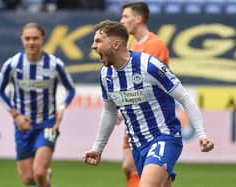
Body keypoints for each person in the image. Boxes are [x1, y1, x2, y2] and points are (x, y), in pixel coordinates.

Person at [83, 20, 214, 187]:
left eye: (98, 41)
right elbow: (109, 112)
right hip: (137, 145)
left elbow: (185, 98)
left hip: (164, 137)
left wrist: (201, 134)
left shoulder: (149, 65)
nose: (93, 46)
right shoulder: (105, 75)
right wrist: (97, 148)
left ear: (115, 44)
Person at [0, 22, 75, 187]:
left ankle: (43, 175)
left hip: (48, 123)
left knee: (39, 171)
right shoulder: (12, 64)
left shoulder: (55, 64)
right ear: (22, 40)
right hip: (23, 125)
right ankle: (46, 179)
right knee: (28, 179)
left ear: (42, 39)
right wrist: (16, 116)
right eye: (27, 38)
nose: (31, 42)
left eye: (35, 38)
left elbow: (70, 90)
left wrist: (61, 108)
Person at [119, 2, 170, 186]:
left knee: (135, 167)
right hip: (135, 114)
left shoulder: (155, 45)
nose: (122, 20)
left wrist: (124, 103)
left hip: (152, 118)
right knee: (131, 167)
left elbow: (151, 84)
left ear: (138, 19)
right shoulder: (133, 45)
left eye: (125, 16)